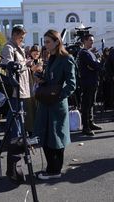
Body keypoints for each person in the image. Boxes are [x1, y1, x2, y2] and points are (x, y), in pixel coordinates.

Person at [34, 29, 76, 180]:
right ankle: (51, 168)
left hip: (56, 105)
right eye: (44, 42)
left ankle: (54, 170)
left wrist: (58, 97)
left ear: (57, 42)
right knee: (46, 136)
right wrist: (41, 79)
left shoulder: (66, 58)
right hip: (47, 102)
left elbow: (71, 85)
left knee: (56, 137)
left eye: (47, 42)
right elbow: (51, 80)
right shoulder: (51, 58)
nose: (45, 45)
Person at [0, 26, 32, 182]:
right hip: (15, 89)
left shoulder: (19, 47)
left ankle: (15, 140)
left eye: (24, 36)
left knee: (17, 116)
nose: (23, 39)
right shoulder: (8, 47)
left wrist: (27, 63)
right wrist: (23, 65)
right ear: (15, 34)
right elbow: (8, 65)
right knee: (15, 118)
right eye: (21, 36)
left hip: (22, 87)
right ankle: (14, 144)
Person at [78, 34, 102, 136]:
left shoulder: (89, 53)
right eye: (90, 40)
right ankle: (86, 127)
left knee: (91, 103)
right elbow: (94, 65)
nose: (92, 42)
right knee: (86, 105)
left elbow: (95, 66)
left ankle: (90, 123)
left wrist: (96, 64)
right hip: (87, 82)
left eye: (93, 40)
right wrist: (97, 63)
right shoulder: (84, 53)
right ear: (85, 41)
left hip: (93, 81)